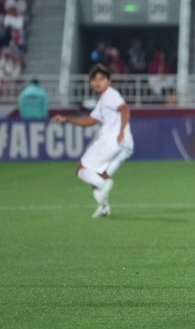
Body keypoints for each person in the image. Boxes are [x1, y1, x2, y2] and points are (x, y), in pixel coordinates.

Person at [51, 64, 134, 218]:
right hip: (126, 145)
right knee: (97, 175)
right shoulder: (103, 101)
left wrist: (121, 130)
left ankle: (104, 186)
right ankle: (103, 207)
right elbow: (90, 120)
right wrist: (66, 119)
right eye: (94, 79)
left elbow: (123, 109)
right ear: (90, 83)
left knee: (82, 169)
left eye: (101, 79)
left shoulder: (110, 94)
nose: (97, 82)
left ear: (108, 81)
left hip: (113, 140)